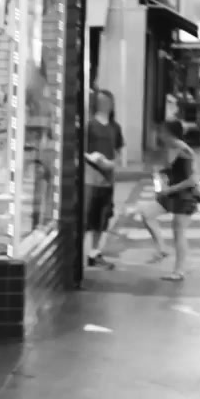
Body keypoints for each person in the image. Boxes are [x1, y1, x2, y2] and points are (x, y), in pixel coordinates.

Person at [133, 120, 199, 282]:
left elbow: (192, 180)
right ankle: (162, 248)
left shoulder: (183, 150)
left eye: (162, 132)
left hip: (184, 197)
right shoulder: (168, 148)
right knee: (147, 214)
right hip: (170, 195)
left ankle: (179, 271)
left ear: (170, 133)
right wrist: (159, 183)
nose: (159, 135)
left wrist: (169, 189)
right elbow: (167, 171)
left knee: (179, 233)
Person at [84, 89, 124, 269]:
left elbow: (119, 151)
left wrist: (112, 164)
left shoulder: (115, 127)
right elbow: (80, 148)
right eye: (101, 101)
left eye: (107, 101)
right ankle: (80, 254)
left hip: (107, 178)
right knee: (87, 216)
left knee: (102, 217)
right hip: (90, 177)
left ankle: (94, 253)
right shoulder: (89, 125)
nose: (104, 105)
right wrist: (92, 158)